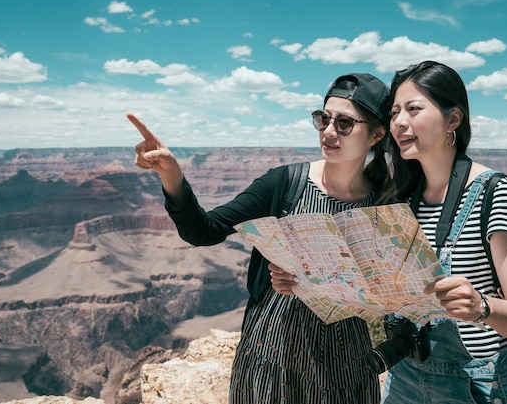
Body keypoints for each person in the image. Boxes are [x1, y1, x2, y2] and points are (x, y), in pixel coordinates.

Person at [127, 72, 391, 403]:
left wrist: (320, 282)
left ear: (376, 134)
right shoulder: (284, 183)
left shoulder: (384, 203)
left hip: (346, 366)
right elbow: (203, 231)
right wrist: (172, 174)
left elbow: (390, 289)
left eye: (344, 124)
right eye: (323, 119)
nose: (328, 131)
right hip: (271, 358)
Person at [376, 60, 507, 403]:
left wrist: (482, 306)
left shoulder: (495, 192)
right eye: (394, 112)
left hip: (475, 386)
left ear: (453, 119)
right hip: (404, 377)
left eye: (413, 109)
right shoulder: (402, 198)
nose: (399, 122)